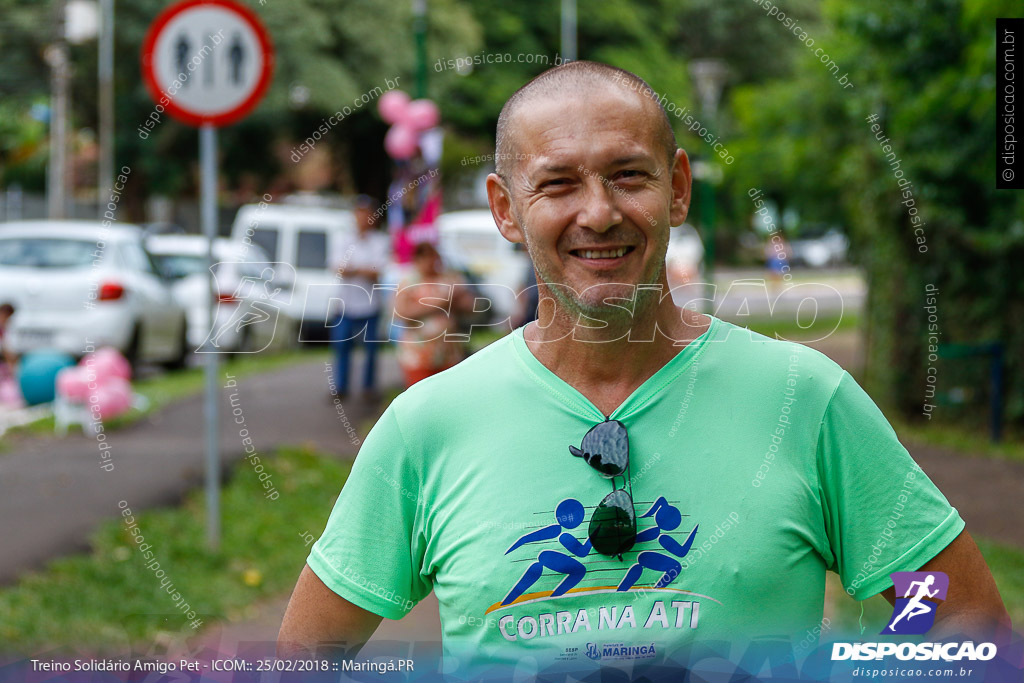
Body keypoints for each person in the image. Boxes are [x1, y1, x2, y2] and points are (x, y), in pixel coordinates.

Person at [279, 62, 1009, 675]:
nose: (598, 213)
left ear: (679, 188)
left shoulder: (804, 400)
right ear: (505, 208)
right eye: (557, 184)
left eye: (629, 175)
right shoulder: (428, 426)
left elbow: (960, 615)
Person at [329, 195, 391, 400]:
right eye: (360, 213)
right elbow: (337, 268)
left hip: (370, 305)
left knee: (371, 350)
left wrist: (354, 269)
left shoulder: (380, 241)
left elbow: (378, 271)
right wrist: (362, 270)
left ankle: (368, 388)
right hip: (346, 305)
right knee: (341, 346)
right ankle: (341, 387)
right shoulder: (343, 239)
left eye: (367, 213)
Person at [392, 242, 474, 387]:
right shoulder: (408, 282)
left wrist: (456, 301)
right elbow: (401, 313)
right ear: (416, 260)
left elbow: (470, 305)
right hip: (418, 355)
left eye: (433, 257)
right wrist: (439, 304)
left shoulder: (449, 279)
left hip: (448, 352)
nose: (430, 262)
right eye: (425, 258)